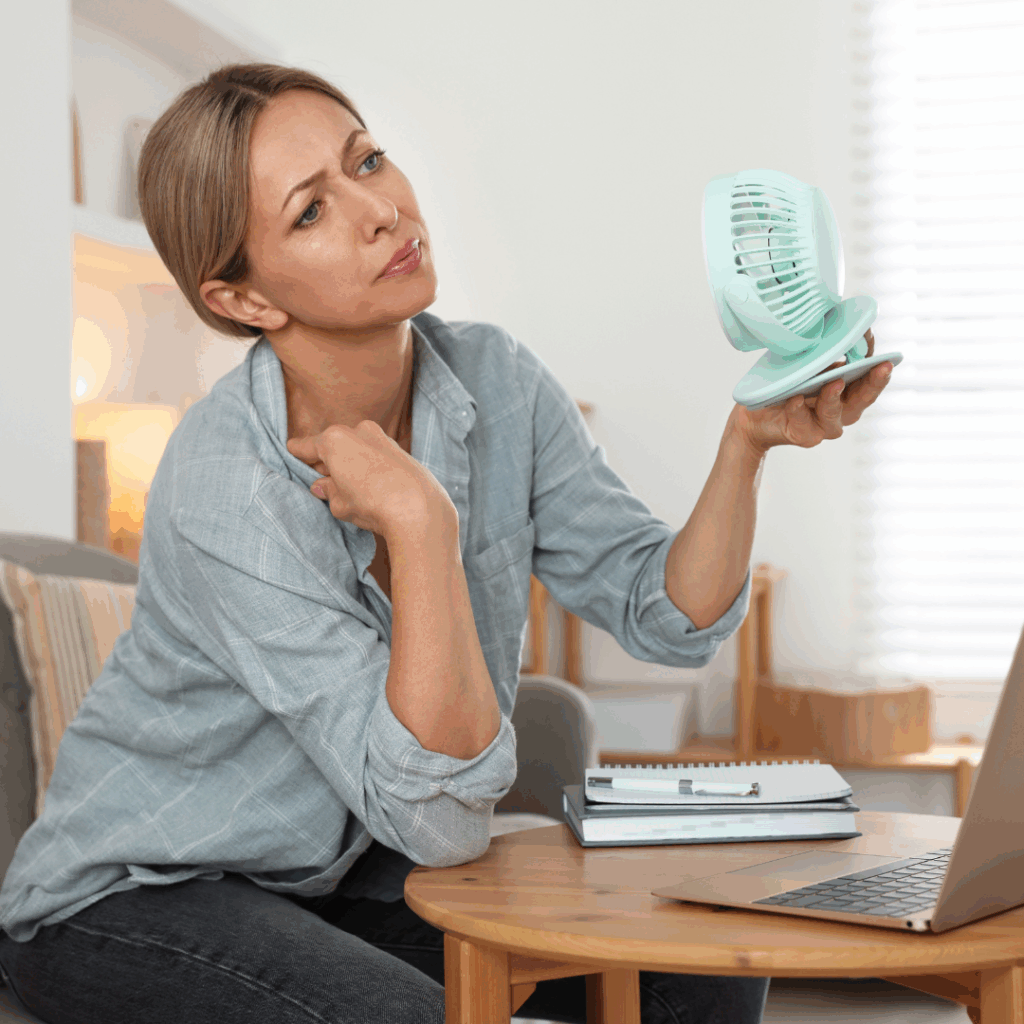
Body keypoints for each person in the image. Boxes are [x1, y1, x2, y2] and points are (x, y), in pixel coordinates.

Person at [0, 63, 891, 1024]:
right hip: (139, 894)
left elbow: (665, 615)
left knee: (701, 969)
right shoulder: (224, 484)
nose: (379, 209)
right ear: (245, 301)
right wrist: (423, 527)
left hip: (339, 878)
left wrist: (747, 442)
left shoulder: (496, 378)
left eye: (368, 161)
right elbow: (441, 817)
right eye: (310, 212)